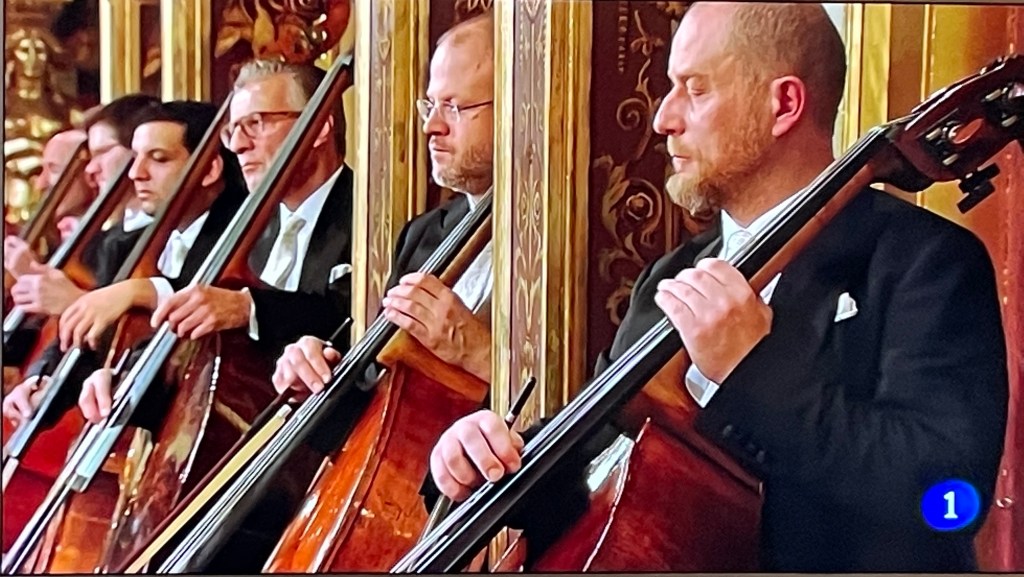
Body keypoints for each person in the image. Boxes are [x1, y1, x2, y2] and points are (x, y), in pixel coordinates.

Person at [424, 2, 1008, 572]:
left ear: (783, 104)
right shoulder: (670, 275)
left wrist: (753, 371)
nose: (663, 118)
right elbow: (596, 466)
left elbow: (948, 499)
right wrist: (487, 463)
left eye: (694, 89)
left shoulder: (924, 262)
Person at [271, 12, 495, 399]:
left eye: (454, 107)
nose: (431, 127)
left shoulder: (578, 246)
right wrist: (317, 376)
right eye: (431, 105)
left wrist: (481, 355)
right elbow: (378, 390)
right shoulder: (423, 234)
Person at [3, 100, 246, 427]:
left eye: (158, 158)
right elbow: (95, 335)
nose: (135, 173)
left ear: (210, 170)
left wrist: (138, 292)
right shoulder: (132, 243)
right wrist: (41, 381)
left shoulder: (242, 232)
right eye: (136, 157)